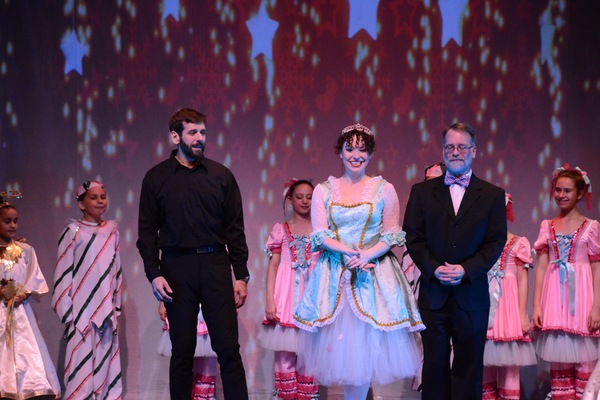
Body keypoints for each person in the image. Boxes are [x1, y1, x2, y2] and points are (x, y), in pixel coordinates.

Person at [294, 123, 424, 400]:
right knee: (341, 355)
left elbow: (391, 234)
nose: (356, 155)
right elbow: (320, 234)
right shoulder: (324, 190)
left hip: (372, 274)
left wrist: (366, 255)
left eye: (362, 150)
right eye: (350, 149)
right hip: (335, 274)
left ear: (370, 154)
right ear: (340, 152)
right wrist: (349, 253)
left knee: (365, 356)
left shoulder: (384, 189)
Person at [137, 108, 250, 399]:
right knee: (182, 350)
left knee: (228, 348)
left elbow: (235, 229)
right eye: (193, 132)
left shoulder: (221, 175)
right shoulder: (156, 178)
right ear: (175, 137)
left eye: (203, 132)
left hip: (215, 264)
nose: (200, 138)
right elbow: (147, 234)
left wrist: (241, 275)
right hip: (177, 267)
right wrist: (154, 274)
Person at [403, 122, 507, 399]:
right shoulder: (422, 192)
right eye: (450, 147)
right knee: (434, 369)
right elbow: (413, 237)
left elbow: (495, 242)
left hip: (471, 295)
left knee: (468, 370)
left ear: (474, 151)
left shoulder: (493, 195)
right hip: (434, 296)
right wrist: (434, 268)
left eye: (461, 147)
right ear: (443, 151)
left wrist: (466, 269)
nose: (455, 152)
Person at [532, 165, 600, 399]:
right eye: (558, 190)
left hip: (582, 300)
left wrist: (597, 307)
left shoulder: (591, 227)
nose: (561, 195)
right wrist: (537, 306)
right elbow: (541, 267)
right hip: (555, 301)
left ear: (580, 193)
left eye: (567, 190)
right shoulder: (547, 226)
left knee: (584, 363)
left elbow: (596, 267)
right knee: (560, 366)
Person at [52, 180, 123, 400]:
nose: (100, 201)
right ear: (81, 204)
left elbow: (116, 269)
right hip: (81, 308)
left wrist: (115, 304)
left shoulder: (112, 232)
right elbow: (63, 270)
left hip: (105, 307)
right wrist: (67, 310)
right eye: (93, 197)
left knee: (105, 358)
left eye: (102, 196)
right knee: (80, 361)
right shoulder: (73, 232)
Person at [258, 179, 319, 400]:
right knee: (285, 356)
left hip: (311, 298)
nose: (305, 201)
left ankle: (308, 395)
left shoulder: (321, 231)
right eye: (299, 196)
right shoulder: (281, 230)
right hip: (286, 298)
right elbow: (273, 266)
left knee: (310, 354)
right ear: (290, 199)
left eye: (309, 197)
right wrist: (270, 300)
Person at [0, 192, 61, 399]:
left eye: (15, 221)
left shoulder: (25, 250)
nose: (12, 225)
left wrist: (23, 294)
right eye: (7, 221)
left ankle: (24, 388)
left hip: (20, 313)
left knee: (25, 350)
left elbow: (34, 278)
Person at [482, 194, 536, 399]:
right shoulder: (479, 245)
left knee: (510, 368)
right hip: (485, 307)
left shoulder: (519, 243)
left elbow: (523, 280)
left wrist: (522, 314)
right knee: (483, 365)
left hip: (508, 311)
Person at [157, 302, 218, 400]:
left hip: (209, 303)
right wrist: (162, 302)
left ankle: (205, 396)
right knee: (183, 354)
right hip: (183, 303)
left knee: (208, 353)